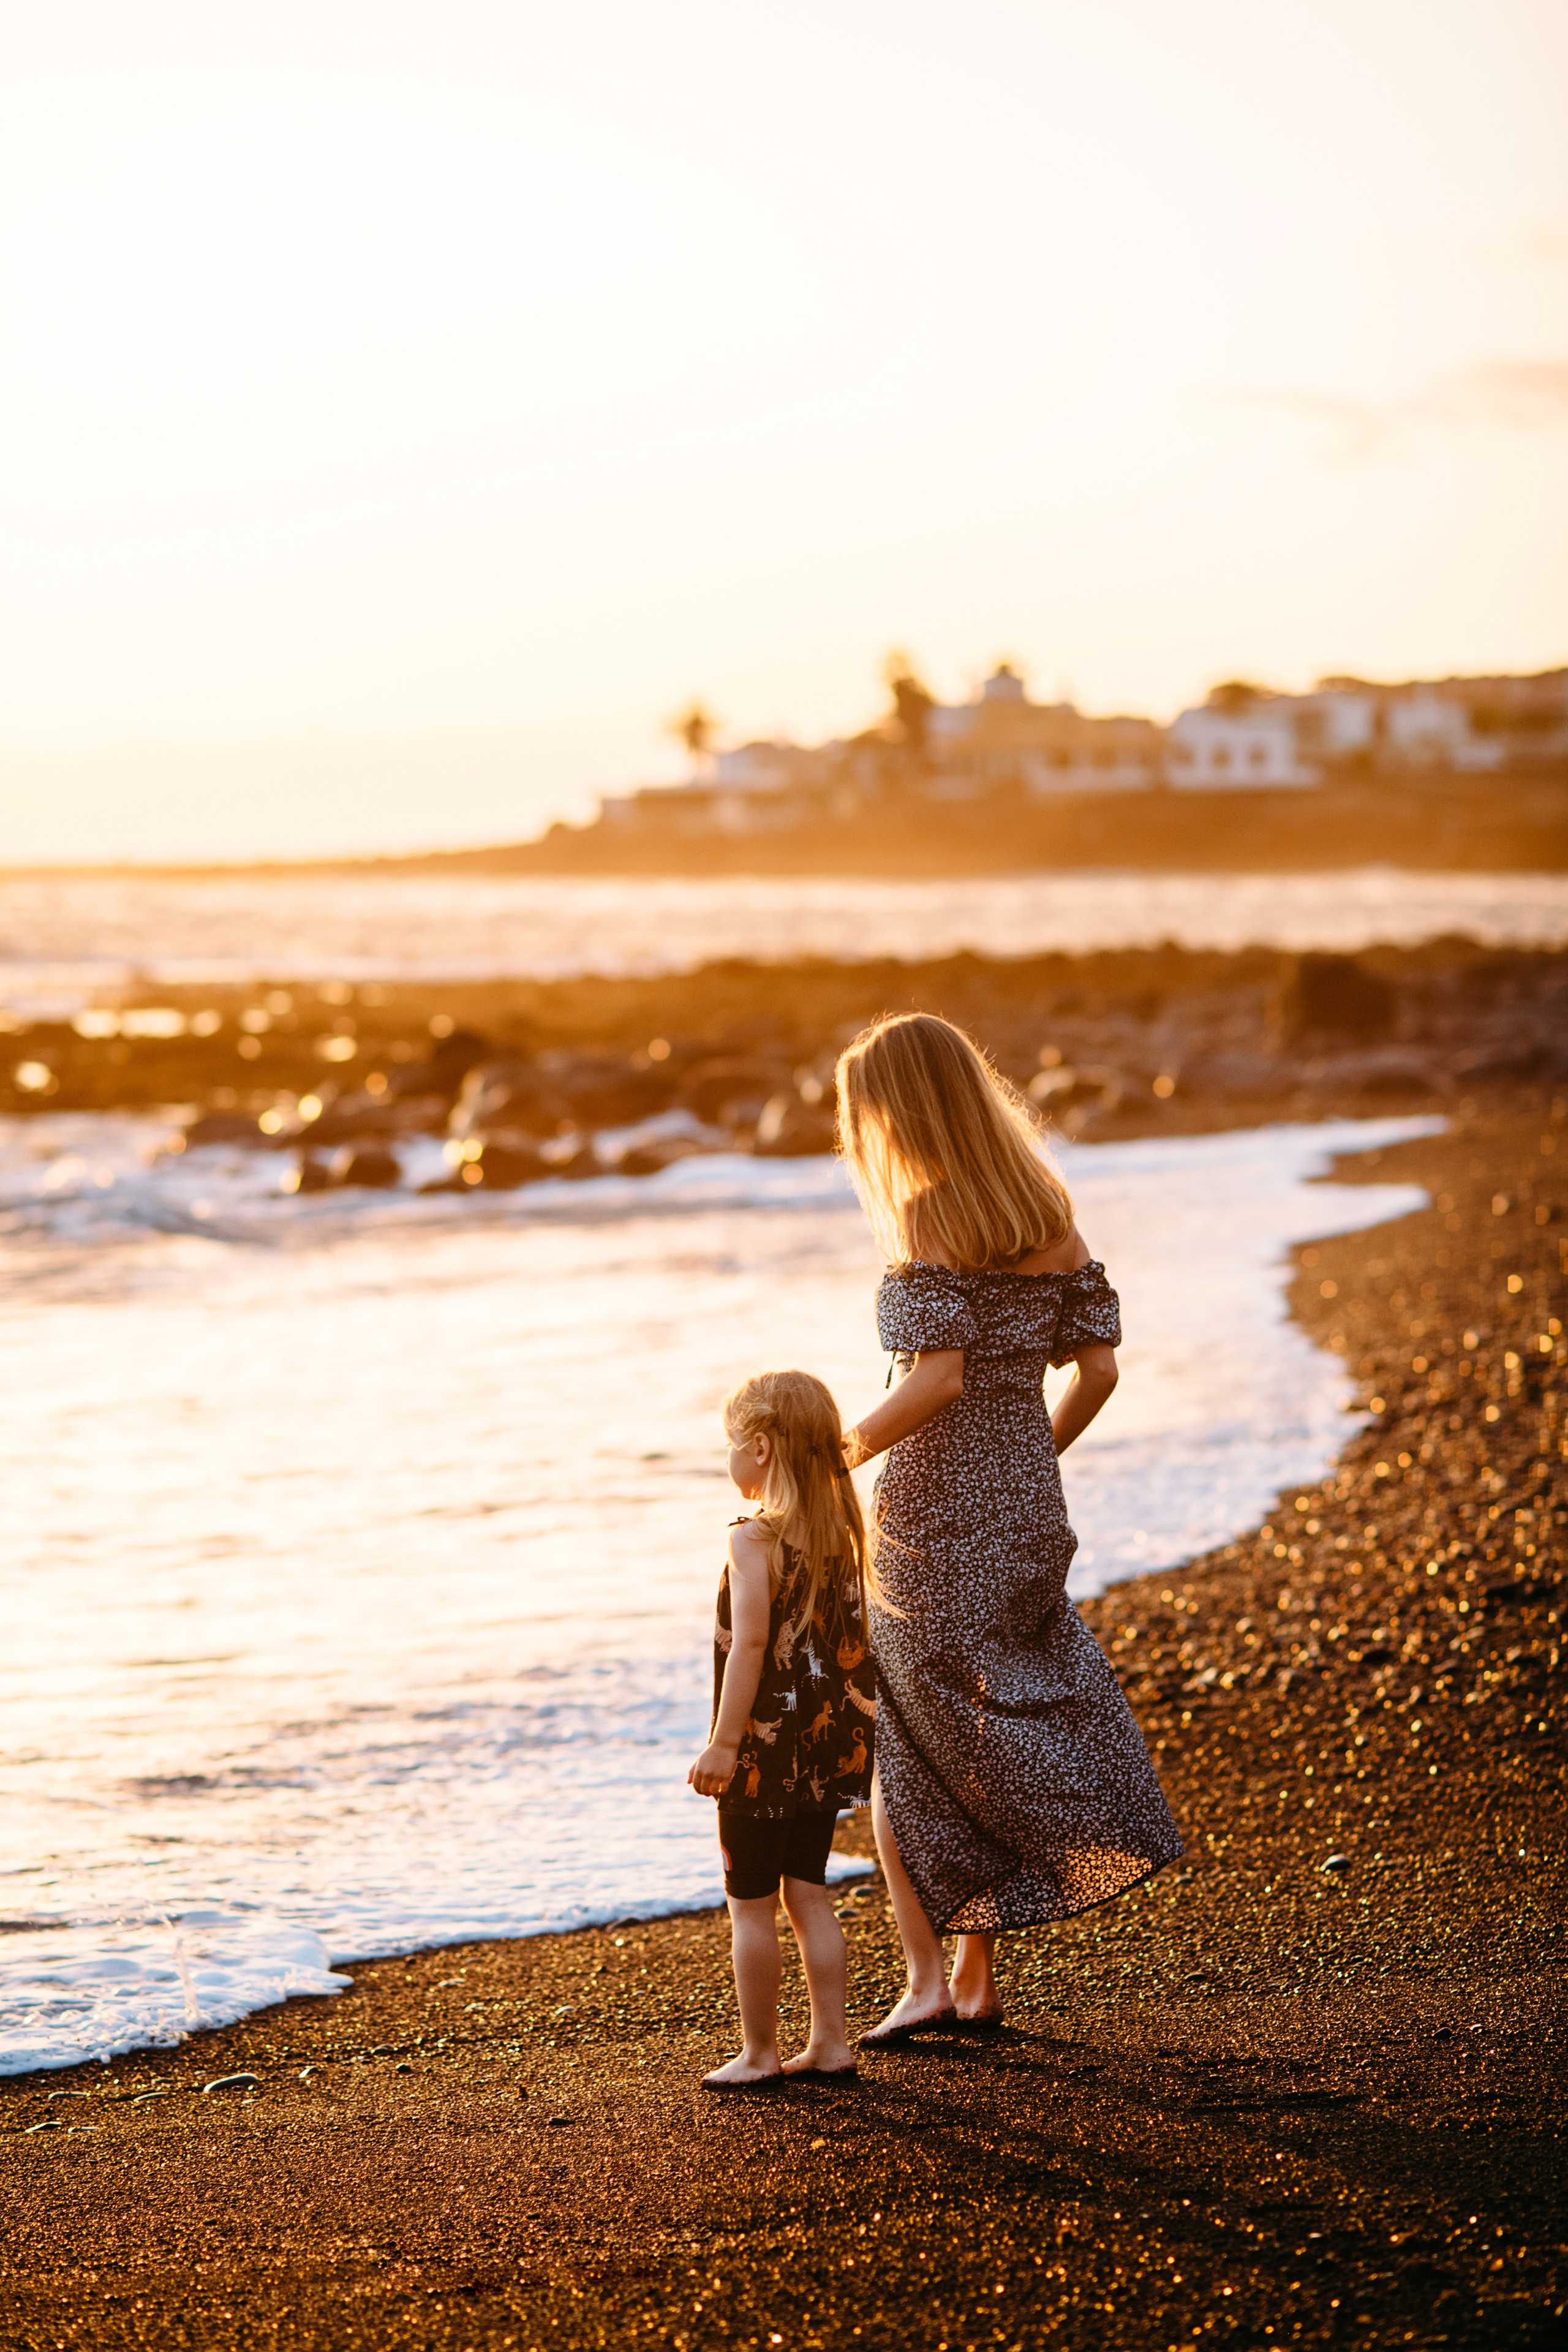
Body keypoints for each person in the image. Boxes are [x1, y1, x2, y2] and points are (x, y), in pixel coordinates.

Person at [835, 1012, 1183, 2046]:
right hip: (1032, 1509)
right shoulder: (1047, 1207)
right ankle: (974, 1979)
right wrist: (1035, 1466)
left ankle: (926, 1982)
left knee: (911, 1738)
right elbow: (1101, 1370)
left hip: (933, 1513)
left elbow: (935, 1381)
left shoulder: (933, 1213)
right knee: (984, 1732)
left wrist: (836, 1452)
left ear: (904, 1109)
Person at [688, 1368, 877, 2089]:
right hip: (827, 1744)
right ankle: (830, 2043)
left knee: (749, 1905)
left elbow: (752, 1645)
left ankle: (760, 2054)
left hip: (764, 1748)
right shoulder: (836, 1533)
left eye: (733, 1445)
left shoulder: (753, 1538)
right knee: (809, 1892)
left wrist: (725, 1743)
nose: (730, 1459)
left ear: (761, 1448)